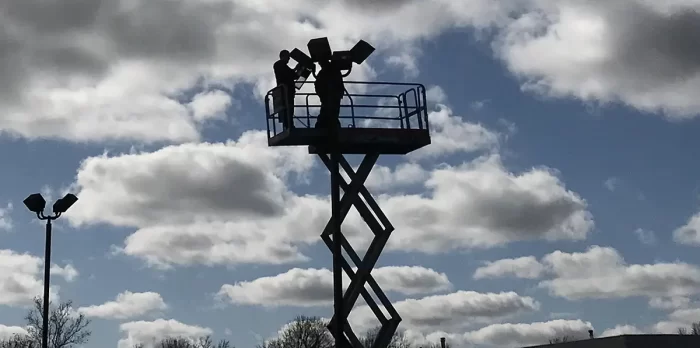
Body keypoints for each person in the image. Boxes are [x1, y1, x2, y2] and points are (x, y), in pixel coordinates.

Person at [314, 59, 344, 129]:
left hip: (330, 96)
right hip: (333, 96)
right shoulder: (335, 70)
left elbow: (317, 84)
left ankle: (328, 125)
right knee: (332, 114)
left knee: (328, 113)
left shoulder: (324, 72)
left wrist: (321, 95)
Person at [273, 50, 298, 129]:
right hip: (285, 92)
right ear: (283, 56)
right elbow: (291, 74)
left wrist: (295, 70)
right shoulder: (279, 65)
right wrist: (295, 70)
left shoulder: (280, 65)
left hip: (287, 91)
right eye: (288, 56)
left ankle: (289, 125)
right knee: (287, 109)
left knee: (289, 110)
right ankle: (289, 126)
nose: (289, 59)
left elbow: (291, 74)